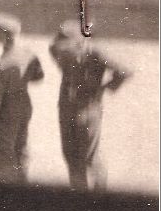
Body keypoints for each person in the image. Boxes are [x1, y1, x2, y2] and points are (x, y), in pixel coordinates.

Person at [49, 20, 132, 191]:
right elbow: (52, 49)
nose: (63, 49)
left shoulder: (95, 52)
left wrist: (105, 88)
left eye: (68, 45)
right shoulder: (60, 50)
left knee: (90, 158)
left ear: (80, 41)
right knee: (71, 156)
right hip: (66, 109)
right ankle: (79, 198)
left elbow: (125, 71)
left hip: (88, 111)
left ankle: (100, 199)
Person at [0, 13, 44, 184]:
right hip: (24, 105)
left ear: (4, 35)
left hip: (5, 112)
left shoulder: (0, 65)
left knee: (3, 155)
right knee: (21, 148)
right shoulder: (29, 54)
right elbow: (39, 77)